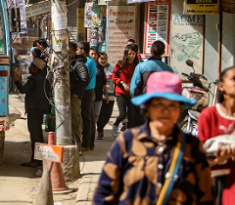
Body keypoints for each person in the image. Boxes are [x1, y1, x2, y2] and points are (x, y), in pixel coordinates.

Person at [93, 71, 214, 204]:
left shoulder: (192, 147)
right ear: (148, 107)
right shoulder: (127, 142)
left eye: (172, 105)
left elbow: (206, 197)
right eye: (159, 104)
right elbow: (104, 195)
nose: (165, 111)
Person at [197, 66, 235, 204]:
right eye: (234, 79)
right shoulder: (209, 115)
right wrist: (217, 159)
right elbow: (199, 157)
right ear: (221, 86)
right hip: (215, 182)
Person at [12, 54, 51, 168]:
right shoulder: (44, 79)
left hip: (34, 109)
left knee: (35, 135)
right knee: (38, 133)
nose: (29, 68)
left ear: (36, 68)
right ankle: (40, 158)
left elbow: (23, 89)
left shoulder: (34, 79)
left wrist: (15, 78)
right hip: (40, 109)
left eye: (32, 66)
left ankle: (36, 160)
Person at [130, 40, 173, 127]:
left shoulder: (141, 67)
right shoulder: (168, 69)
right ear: (164, 52)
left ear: (151, 50)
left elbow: (134, 88)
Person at [112, 43, 140, 134]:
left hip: (132, 93)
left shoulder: (138, 66)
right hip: (121, 92)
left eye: (133, 54)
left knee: (131, 115)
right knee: (122, 114)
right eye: (129, 54)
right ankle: (116, 124)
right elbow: (114, 76)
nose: (131, 56)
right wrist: (122, 83)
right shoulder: (120, 64)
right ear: (126, 54)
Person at [68, 41, 91, 148]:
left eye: (69, 51)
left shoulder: (79, 64)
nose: (66, 54)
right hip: (64, 97)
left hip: (74, 98)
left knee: (75, 122)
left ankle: (77, 146)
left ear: (74, 52)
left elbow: (85, 79)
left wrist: (75, 93)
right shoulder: (66, 62)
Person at [78, 41, 97, 151]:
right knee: (89, 118)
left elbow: (84, 78)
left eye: (78, 49)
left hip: (86, 91)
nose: (77, 51)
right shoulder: (91, 61)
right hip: (90, 91)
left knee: (86, 119)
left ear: (82, 50)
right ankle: (90, 143)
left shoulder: (87, 62)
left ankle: (86, 143)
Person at [89, 48, 108, 141]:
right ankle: (88, 137)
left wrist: (107, 94)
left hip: (98, 95)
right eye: (92, 54)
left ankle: (97, 133)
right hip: (88, 94)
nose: (93, 56)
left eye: (95, 54)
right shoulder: (86, 65)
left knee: (96, 116)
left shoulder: (100, 67)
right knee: (88, 117)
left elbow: (103, 82)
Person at [96, 52, 115, 139]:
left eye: (104, 58)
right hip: (100, 95)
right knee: (101, 114)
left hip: (111, 95)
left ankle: (101, 127)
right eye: (101, 58)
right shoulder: (96, 68)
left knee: (108, 114)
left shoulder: (112, 68)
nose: (103, 60)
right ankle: (100, 130)